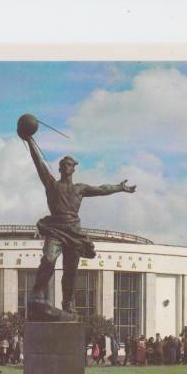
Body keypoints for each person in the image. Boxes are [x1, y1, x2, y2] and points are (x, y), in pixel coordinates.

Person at [20, 129, 136, 317]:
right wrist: (30, 140)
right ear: (60, 168)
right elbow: (38, 163)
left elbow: (101, 189)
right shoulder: (52, 184)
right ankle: (38, 292)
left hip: (74, 231)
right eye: (64, 164)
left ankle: (68, 303)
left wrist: (119, 187)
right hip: (55, 229)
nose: (67, 167)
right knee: (48, 259)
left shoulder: (79, 189)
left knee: (71, 272)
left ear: (74, 169)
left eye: (70, 165)